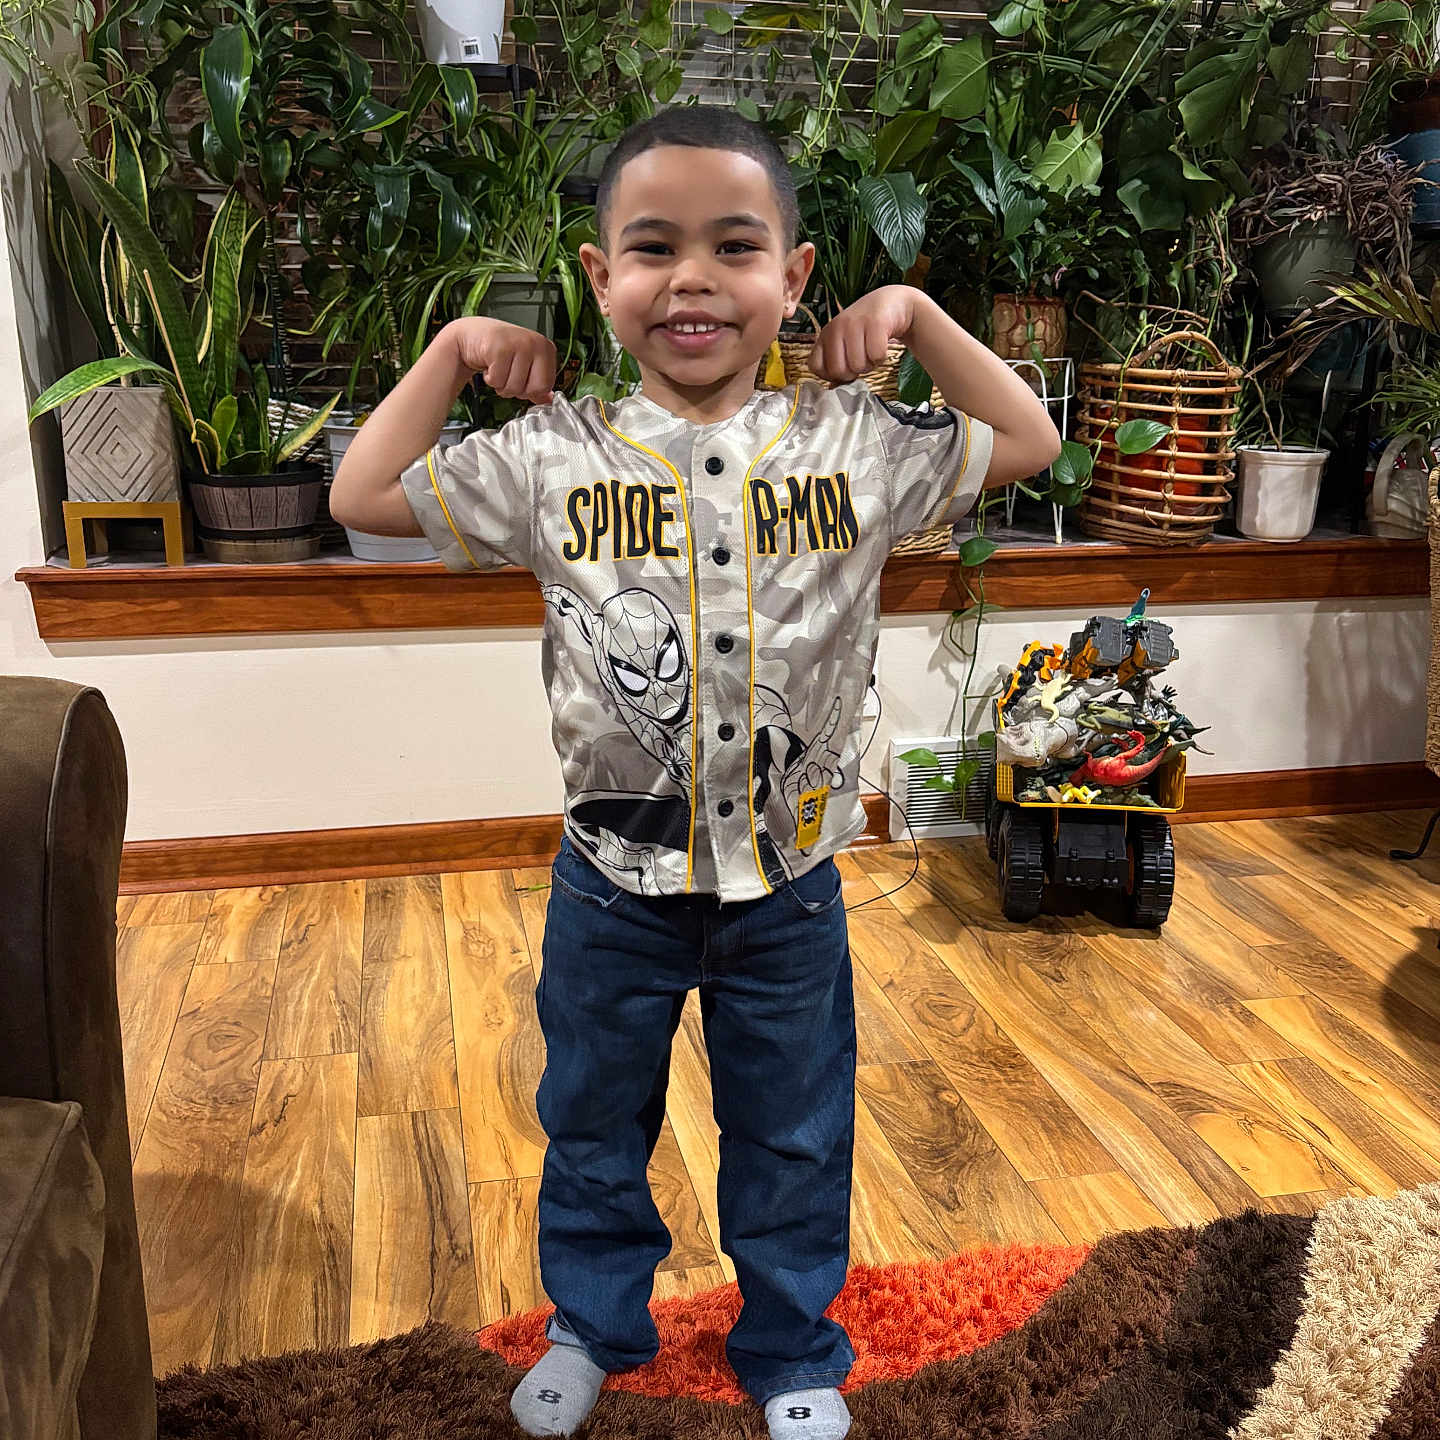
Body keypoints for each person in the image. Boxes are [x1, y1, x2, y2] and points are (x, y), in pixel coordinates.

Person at [331, 105, 1061, 1440]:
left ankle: (792, 1346)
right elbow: (362, 496)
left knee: (792, 1131)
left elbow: (1028, 442)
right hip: (611, 885)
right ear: (600, 277)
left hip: (789, 888)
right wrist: (451, 351)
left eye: (735, 246)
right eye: (651, 247)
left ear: (792, 275)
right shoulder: (556, 458)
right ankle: (594, 1323)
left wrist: (913, 311)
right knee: (592, 1117)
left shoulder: (857, 445)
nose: (693, 279)